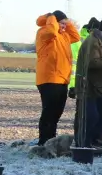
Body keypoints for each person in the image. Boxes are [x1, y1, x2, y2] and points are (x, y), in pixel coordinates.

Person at [33, 11, 79, 143]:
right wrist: (51, 17)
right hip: (49, 79)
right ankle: (43, 141)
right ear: (53, 21)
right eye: (62, 23)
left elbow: (75, 36)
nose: (64, 26)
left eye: (66, 24)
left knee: (56, 114)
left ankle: (50, 140)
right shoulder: (44, 33)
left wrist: (66, 22)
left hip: (62, 79)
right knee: (49, 113)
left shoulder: (64, 36)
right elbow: (52, 31)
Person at [78, 17, 102, 147]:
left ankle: (96, 138)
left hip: (97, 85)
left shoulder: (99, 41)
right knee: (92, 116)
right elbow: (92, 63)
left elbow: (98, 57)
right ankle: (85, 142)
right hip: (88, 85)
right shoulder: (93, 42)